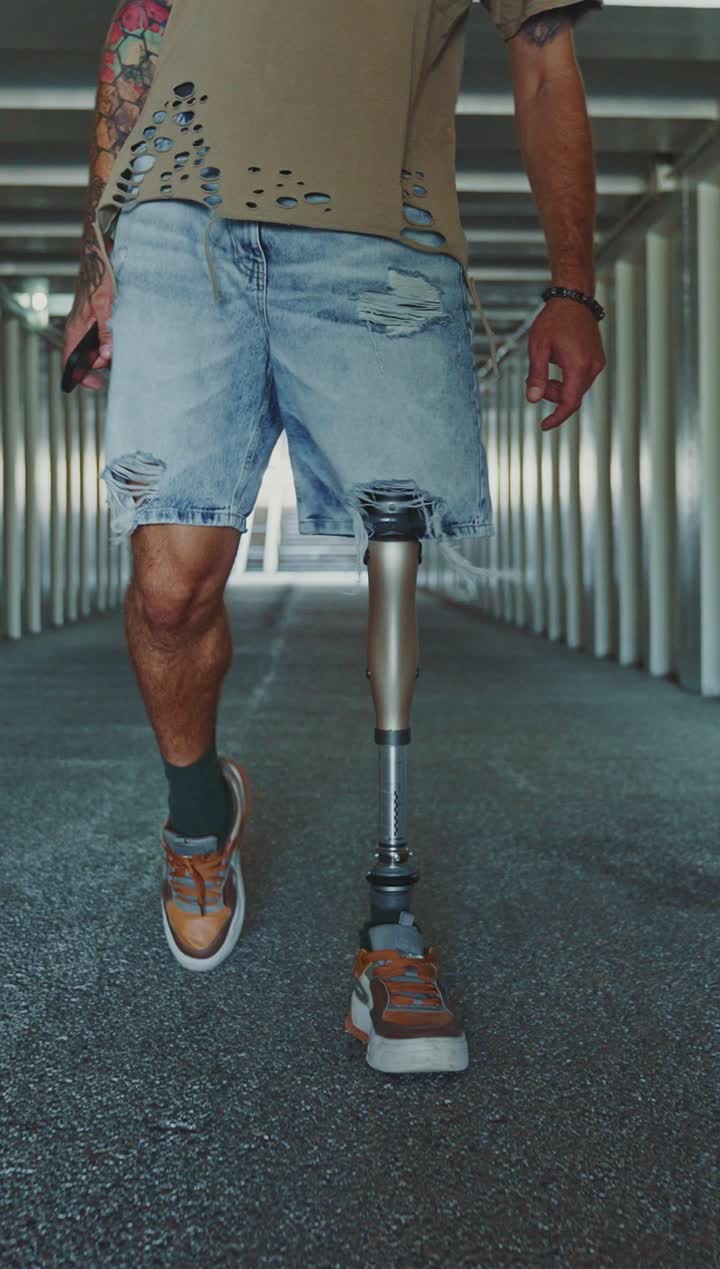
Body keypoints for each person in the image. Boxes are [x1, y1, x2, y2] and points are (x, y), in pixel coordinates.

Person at [64, 0, 606, 1073]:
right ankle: (196, 816)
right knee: (171, 588)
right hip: (176, 221)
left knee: (393, 558)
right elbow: (139, 33)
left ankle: (392, 933)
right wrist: (97, 263)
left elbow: (546, 66)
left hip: (378, 230)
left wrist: (572, 287)